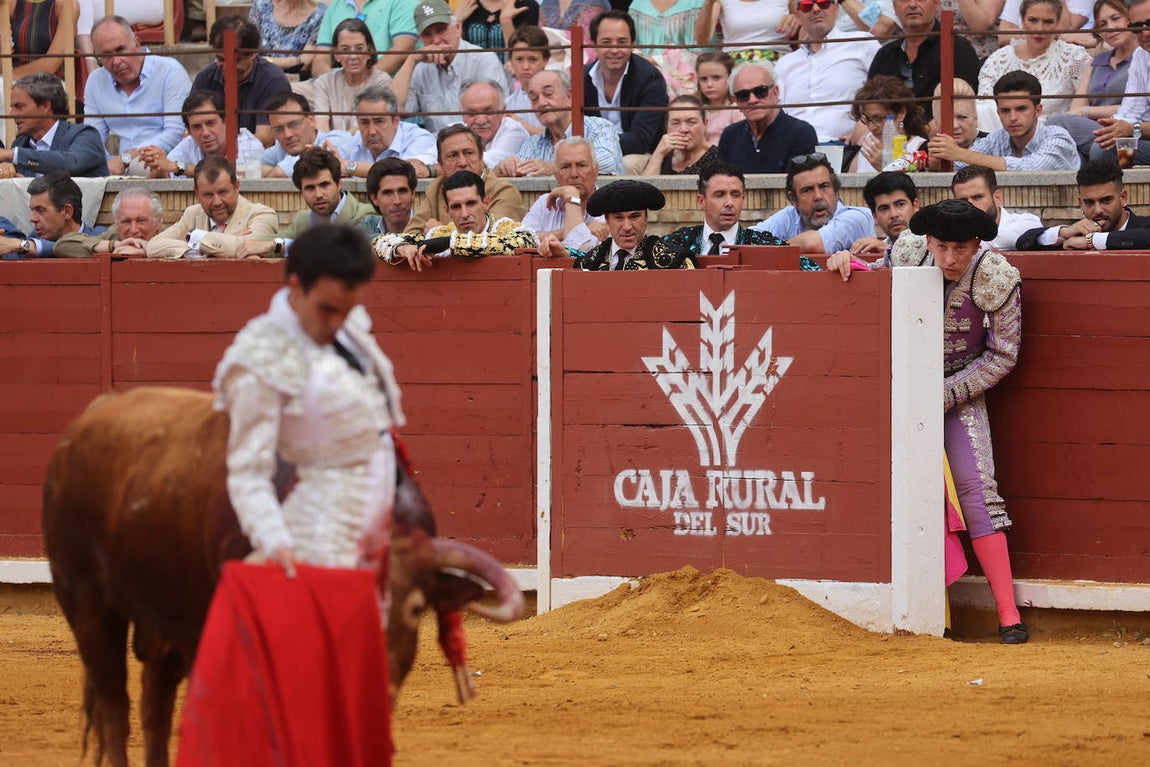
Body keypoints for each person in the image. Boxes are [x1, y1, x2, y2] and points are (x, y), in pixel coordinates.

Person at [828, 199, 1028, 645]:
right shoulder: (907, 253)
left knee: (978, 493)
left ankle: (1009, 615)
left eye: (960, 249)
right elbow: (875, 295)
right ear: (928, 242)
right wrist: (850, 264)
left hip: (955, 395)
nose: (949, 260)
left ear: (977, 243)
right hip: (898, 394)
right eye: (941, 247)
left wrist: (940, 394)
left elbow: (1001, 356)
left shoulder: (997, 277)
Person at [213, 223, 406, 587]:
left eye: (348, 309)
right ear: (296, 287)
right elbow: (247, 472)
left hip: (377, 531)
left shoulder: (349, 325)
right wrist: (276, 542)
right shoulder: (260, 356)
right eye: (328, 309)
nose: (338, 323)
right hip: (318, 539)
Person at [84, 16, 192, 175]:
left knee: (141, 168)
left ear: (137, 43)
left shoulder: (169, 71)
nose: (116, 61)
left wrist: (127, 158)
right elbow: (93, 138)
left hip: (166, 162)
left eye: (121, 50)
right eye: (106, 55)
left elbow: (174, 132)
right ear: (97, 56)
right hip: (121, 168)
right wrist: (105, 165)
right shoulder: (96, 80)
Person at [663, 162, 821, 269]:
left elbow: (809, 269)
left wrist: (837, 262)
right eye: (720, 195)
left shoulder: (761, 244)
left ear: (743, 200)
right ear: (702, 201)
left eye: (736, 195)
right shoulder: (678, 243)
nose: (729, 203)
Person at [373, 170, 537, 269]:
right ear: (447, 210)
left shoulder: (505, 229)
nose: (464, 213)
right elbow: (378, 241)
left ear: (486, 203)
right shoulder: (440, 234)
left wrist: (450, 243)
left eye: (471, 203)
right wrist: (400, 248)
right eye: (456, 207)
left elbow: (525, 241)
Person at [928, 70, 1080, 172]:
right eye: (1005, 111)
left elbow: (1030, 169)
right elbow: (959, 166)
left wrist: (959, 153)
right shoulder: (997, 138)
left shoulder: (1058, 138)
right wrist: (937, 162)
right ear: (998, 113)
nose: (1013, 118)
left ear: (1038, 110)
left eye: (1021, 109)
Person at [239, 148, 377, 258]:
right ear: (301, 191)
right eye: (310, 188)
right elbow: (268, 242)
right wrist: (240, 240)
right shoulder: (302, 220)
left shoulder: (366, 214)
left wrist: (278, 245)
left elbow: (342, 250)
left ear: (339, 184)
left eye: (324, 185)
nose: (318, 195)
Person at [774, 0, 879, 144]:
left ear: (836, 9)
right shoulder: (785, 63)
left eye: (823, 3)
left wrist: (862, 127)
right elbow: (777, 112)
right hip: (794, 149)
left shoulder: (862, 43)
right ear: (797, 16)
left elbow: (884, 91)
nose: (816, 9)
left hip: (846, 145)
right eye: (807, 5)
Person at [396, 0, 510, 134]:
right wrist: (411, 60)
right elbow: (396, 109)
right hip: (436, 147)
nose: (436, 40)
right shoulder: (420, 67)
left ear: (457, 28)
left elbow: (501, 117)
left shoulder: (484, 60)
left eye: (441, 30)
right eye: (428, 34)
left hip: (480, 145)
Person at [1047, 0, 1138, 164]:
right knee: (1070, 151)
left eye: (1115, 18)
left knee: (1057, 123)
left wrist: (1088, 111)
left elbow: (1136, 108)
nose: (1110, 27)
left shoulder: (1142, 58)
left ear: (1130, 18)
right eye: (1103, 23)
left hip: (1130, 133)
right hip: (1093, 130)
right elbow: (1076, 108)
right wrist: (1084, 112)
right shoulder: (1097, 61)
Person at [583, 10, 671, 173]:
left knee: (625, 165)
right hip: (592, 155)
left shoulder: (650, 78)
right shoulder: (582, 78)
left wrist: (594, 149)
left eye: (622, 42)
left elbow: (640, 140)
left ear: (632, 44)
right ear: (593, 43)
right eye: (606, 42)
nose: (615, 49)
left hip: (640, 154)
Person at [540, 179, 696, 270]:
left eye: (635, 217)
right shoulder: (591, 261)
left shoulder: (674, 259)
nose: (627, 227)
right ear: (607, 220)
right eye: (619, 218)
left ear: (646, 217)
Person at [146, 156, 279, 260]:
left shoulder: (262, 214)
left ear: (236, 187)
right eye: (208, 195)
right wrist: (226, 242)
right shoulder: (192, 214)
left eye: (223, 192)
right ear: (197, 193)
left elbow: (248, 247)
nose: (216, 202)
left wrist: (193, 237)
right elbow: (153, 246)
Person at [496, 70, 624, 177]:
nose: (541, 103)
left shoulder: (599, 128)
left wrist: (554, 167)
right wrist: (505, 167)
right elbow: (514, 170)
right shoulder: (533, 143)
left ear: (569, 97)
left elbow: (608, 162)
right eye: (534, 98)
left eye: (548, 94)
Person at [978, 0, 1091, 120]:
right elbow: (985, 108)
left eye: (1048, 22)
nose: (1039, 28)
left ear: (1057, 23)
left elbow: (1090, 104)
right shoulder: (998, 60)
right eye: (1032, 20)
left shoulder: (1074, 57)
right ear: (1022, 21)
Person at [867, 0, 980, 119]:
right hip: (890, 133)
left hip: (941, 133)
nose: (912, 5)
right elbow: (868, 103)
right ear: (894, 8)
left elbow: (963, 109)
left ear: (936, 4)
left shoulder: (957, 49)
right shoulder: (885, 54)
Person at [191, 16, 293, 147]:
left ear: (253, 53)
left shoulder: (273, 80)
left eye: (235, 60)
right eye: (221, 59)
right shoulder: (205, 78)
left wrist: (218, 146)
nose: (226, 66)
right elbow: (191, 129)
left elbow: (265, 139)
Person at [407, 125, 526, 234]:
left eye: (468, 153)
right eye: (452, 155)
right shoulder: (436, 188)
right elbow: (411, 234)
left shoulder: (504, 191)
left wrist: (440, 232)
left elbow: (495, 235)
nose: (462, 163)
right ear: (440, 164)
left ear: (481, 158)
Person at [751, 152, 874, 253]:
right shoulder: (789, 216)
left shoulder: (857, 217)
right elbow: (745, 240)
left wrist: (767, 249)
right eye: (807, 190)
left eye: (824, 186)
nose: (818, 196)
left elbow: (813, 245)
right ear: (793, 199)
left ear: (836, 191)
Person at [1015, 158, 1150, 250]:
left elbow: (1144, 238)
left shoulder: (1145, 227)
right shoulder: (1075, 236)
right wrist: (1065, 232)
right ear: (1080, 203)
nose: (1097, 210)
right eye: (1089, 202)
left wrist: (1091, 241)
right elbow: (1023, 242)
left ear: (1123, 198)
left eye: (1106, 200)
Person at [138, 90, 266, 180]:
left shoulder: (248, 143)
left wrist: (178, 167)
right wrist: (159, 169)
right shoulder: (188, 144)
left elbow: (230, 175)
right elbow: (169, 172)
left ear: (226, 122)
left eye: (211, 123)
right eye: (197, 127)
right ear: (189, 131)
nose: (205, 133)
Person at [0, 73, 108, 178]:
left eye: (19, 106)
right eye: (12, 107)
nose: (12, 114)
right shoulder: (20, 143)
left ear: (45, 106)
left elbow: (71, 163)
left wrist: (14, 155)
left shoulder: (85, 135)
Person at [717, 62, 817, 174]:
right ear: (736, 102)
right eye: (743, 95)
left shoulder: (800, 133)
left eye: (760, 91)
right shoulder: (730, 135)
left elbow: (801, 186)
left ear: (775, 93)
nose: (752, 100)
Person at [521, 136, 608, 253]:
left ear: (595, 170)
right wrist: (581, 229)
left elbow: (579, 248)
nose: (573, 174)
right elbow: (520, 239)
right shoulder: (544, 202)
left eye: (581, 165)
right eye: (566, 167)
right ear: (556, 175)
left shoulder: (610, 204)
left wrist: (572, 197)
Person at [1090, 0, 1150, 165]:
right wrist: (1114, 128)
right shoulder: (1141, 55)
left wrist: (1132, 129)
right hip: (1142, 135)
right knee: (1104, 146)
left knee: (1106, 150)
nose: (1144, 33)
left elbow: (1132, 125)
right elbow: (1130, 110)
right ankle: (1120, 189)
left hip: (1141, 132)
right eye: (1137, 27)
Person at [312, 18, 396, 133]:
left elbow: (361, 130)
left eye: (359, 48)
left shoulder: (381, 81)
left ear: (369, 51)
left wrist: (337, 144)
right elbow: (321, 125)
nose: (353, 56)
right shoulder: (324, 82)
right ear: (336, 54)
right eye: (345, 49)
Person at [343, 85, 437, 179]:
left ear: (396, 121)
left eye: (379, 121)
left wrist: (349, 166)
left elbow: (402, 172)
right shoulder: (354, 141)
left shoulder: (419, 138)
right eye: (364, 122)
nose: (372, 131)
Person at [0, 171, 100, 258]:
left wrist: (27, 246)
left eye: (40, 210)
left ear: (67, 212)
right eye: (32, 210)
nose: (32, 218)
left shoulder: (100, 237)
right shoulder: (33, 239)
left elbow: (80, 248)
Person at [261, 92, 357, 178]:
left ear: (311, 120)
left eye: (294, 124)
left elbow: (279, 173)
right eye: (279, 129)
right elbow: (251, 169)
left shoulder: (335, 140)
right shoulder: (279, 149)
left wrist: (272, 171)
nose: (287, 135)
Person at [311, 0, 419, 76]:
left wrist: (364, 80)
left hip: (383, 84)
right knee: (295, 95)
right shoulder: (335, 6)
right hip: (335, 84)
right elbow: (321, 58)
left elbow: (403, 48)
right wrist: (332, 82)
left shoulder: (405, 1)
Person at [847, 76, 930, 173]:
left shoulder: (920, 149)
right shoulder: (867, 145)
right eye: (867, 119)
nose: (871, 127)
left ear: (901, 113)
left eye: (878, 118)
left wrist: (886, 167)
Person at [53, 187, 164, 257]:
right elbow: (62, 245)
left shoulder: (172, 235)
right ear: (116, 223)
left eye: (141, 221)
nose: (133, 230)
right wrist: (115, 246)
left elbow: (179, 249)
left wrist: (149, 250)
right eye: (126, 221)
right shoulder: (113, 234)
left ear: (157, 222)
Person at [951, 165, 1041, 251]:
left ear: (997, 197)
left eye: (977, 197)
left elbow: (1034, 232)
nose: (970, 205)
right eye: (963, 200)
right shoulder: (950, 230)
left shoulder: (1027, 223)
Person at [694, 0, 796, 64]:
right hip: (735, 62)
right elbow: (702, 40)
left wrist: (796, 18)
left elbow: (804, 21)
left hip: (778, 59)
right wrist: (708, 3)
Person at [460, 80, 530, 169]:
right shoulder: (454, 131)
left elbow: (489, 161)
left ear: (503, 111)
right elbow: (437, 159)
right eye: (472, 113)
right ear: (462, 114)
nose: (481, 121)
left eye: (488, 112)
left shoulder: (514, 131)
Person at [641, 95, 718, 176]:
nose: (683, 129)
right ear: (667, 126)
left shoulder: (718, 158)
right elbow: (645, 187)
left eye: (691, 122)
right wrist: (658, 154)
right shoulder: (662, 157)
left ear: (705, 124)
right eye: (675, 123)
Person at [851, 171, 920, 256]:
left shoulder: (935, 244)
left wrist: (889, 250)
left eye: (900, 204)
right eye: (884, 209)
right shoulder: (876, 251)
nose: (894, 214)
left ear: (915, 206)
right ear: (875, 217)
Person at [247, 0, 326, 75]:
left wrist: (263, 61)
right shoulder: (261, 5)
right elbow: (248, 52)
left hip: (297, 82)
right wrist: (296, 61)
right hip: (258, 76)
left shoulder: (320, 14)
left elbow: (305, 62)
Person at [458, 0, 540, 63]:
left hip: (510, 79)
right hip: (471, 79)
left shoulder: (526, 6)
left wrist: (506, 21)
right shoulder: (466, 6)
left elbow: (524, 56)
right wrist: (455, 22)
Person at [505, 25, 550, 133]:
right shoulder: (508, 103)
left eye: (532, 59)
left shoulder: (557, 99)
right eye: (519, 59)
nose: (525, 67)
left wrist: (521, 125)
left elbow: (561, 140)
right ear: (511, 60)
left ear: (545, 60)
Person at [359, 157, 418, 236]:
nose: (397, 201)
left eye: (402, 191)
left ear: (413, 194)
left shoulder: (429, 229)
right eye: (388, 193)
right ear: (374, 198)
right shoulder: (366, 227)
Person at [696, 51, 738, 146]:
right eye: (703, 79)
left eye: (716, 78)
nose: (709, 85)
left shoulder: (737, 111)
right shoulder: (699, 110)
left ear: (730, 78)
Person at [538, 0, 610, 46]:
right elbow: (540, 41)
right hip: (548, 64)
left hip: (582, 64)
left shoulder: (595, 4)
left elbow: (588, 47)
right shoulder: (546, 3)